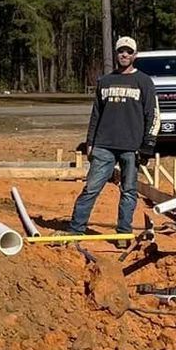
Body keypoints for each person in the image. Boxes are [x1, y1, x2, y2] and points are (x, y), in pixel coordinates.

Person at [67, 36, 159, 235]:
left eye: (128, 51)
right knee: (91, 188)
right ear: (116, 53)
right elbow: (96, 114)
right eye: (121, 51)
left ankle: (123, 232)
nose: (124, 54)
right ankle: (76, 229)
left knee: (129, 191)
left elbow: (153, 114)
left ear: (135, 55)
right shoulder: (105, 81)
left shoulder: (144, 82)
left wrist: (148, 144)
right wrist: (90, 141)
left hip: (131, 147)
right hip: (104, 145)